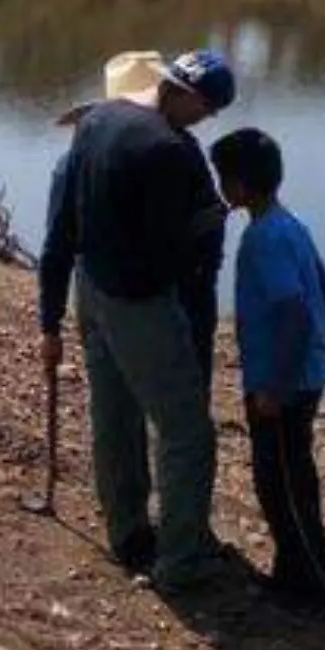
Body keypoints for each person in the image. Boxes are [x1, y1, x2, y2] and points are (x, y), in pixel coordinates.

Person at [38, 49, 237, 591]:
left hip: (91, 290)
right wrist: (209, 223)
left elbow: (61, 229)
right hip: (139, 302)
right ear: (190, 97)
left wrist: (49, 317)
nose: (205, 121)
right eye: (208, 110)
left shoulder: (97, 121)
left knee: (115, 412)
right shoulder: (172, 151)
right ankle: (180, 564)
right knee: (187, 433)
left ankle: (126, 534)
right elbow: (178, 252)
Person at [208, 128, 325, 617]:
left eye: (224, 179)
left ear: (243, 185)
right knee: (286, 479)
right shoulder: (289, 224)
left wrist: (277, 382)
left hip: (282, 386)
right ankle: (293, 575)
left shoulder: (263, 239)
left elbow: (293, 306)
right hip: (302, 374)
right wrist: (317, 349)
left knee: (285, 488)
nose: (220, 188)